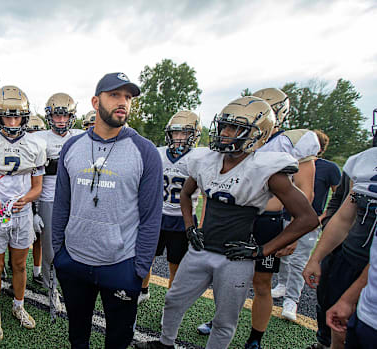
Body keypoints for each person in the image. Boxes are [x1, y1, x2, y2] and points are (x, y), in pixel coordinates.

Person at [137, 96, 319, 349]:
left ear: (258, 134)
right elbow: (187, 194)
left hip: (235, 257)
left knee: (225, 319)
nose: (225, 133)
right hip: (201, 249)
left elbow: (307, 218)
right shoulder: (206, 160)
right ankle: (165, 343)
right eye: (224, 126)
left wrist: (262, 250)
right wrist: (190, 226)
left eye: (235, 128)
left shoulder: (266, 168)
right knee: (174, 300)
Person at [195, 88, 320, 348]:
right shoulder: (234, 140)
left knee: (262, 282)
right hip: (234, 220)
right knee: (223, 276)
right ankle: (220, 321)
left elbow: (305, 192)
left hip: (266, 223)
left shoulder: (293, 140)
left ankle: (255, 337)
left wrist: (290, 231)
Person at [52, 72, 163, 349]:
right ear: (95, 101)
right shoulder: (72, 146)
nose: (123, 102)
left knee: (118, 339)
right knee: (78, 335)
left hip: (121, 264)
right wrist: (58, 253)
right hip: (74, 261)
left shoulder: (145, 150)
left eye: (127, 97)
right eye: (115, 95)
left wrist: (139, 269)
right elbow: (61, 204)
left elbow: (151, 216)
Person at [0, 85, 46, 341]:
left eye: (17, 116)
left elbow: (37, 188)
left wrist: (25, 200)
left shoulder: (35, 144)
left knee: (19, 265)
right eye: (6, 116)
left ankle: (18, 306)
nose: (12, 122)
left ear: (25, 117)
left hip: (21, 213)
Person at [303, 113, 377, 349]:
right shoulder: (362, 162)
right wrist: (317, 257)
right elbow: (345, 216)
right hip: (349, 255)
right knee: (334, 319)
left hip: (370, 265)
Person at [272, 130, 341, 321]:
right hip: (285, 215)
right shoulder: (291, 162)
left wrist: (324, 216)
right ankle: (282, 285)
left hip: (309, 221)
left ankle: (292, 300)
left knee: (299, 260)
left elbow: (339, 196)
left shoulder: (329, 168)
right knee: (284, 255)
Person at [138, 110, 202, 305]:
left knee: (175, 265)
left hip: (182, 219)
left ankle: (171, 302)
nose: (179, 138)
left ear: (194, 135)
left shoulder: (199, 158)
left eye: (184, 133)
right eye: (176, 133)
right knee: (146, 257)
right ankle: (143, 290)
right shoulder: (157, 153)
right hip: (157, 216)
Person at [36, 93, 84, 312]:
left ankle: (73, 286)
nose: (61, 120)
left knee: (76, 247)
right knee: (51, 250)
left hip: (76, 201)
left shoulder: (81, 137)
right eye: (57, 115)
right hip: (49, 199)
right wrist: (34, 209)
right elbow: (32, 176)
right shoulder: (39, 140)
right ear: (50, 116)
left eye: (65, 115)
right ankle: (51, 288)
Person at [24, 113, 48, 288]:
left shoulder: (44, 149)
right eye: (30, 131)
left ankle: (37, 270)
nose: (33, 135)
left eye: (36, 131)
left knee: (41, 239)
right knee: (25, 241)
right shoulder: (22, 150)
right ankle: (20, 268)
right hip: (26, 201)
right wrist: (32, 211)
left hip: (43, 198)